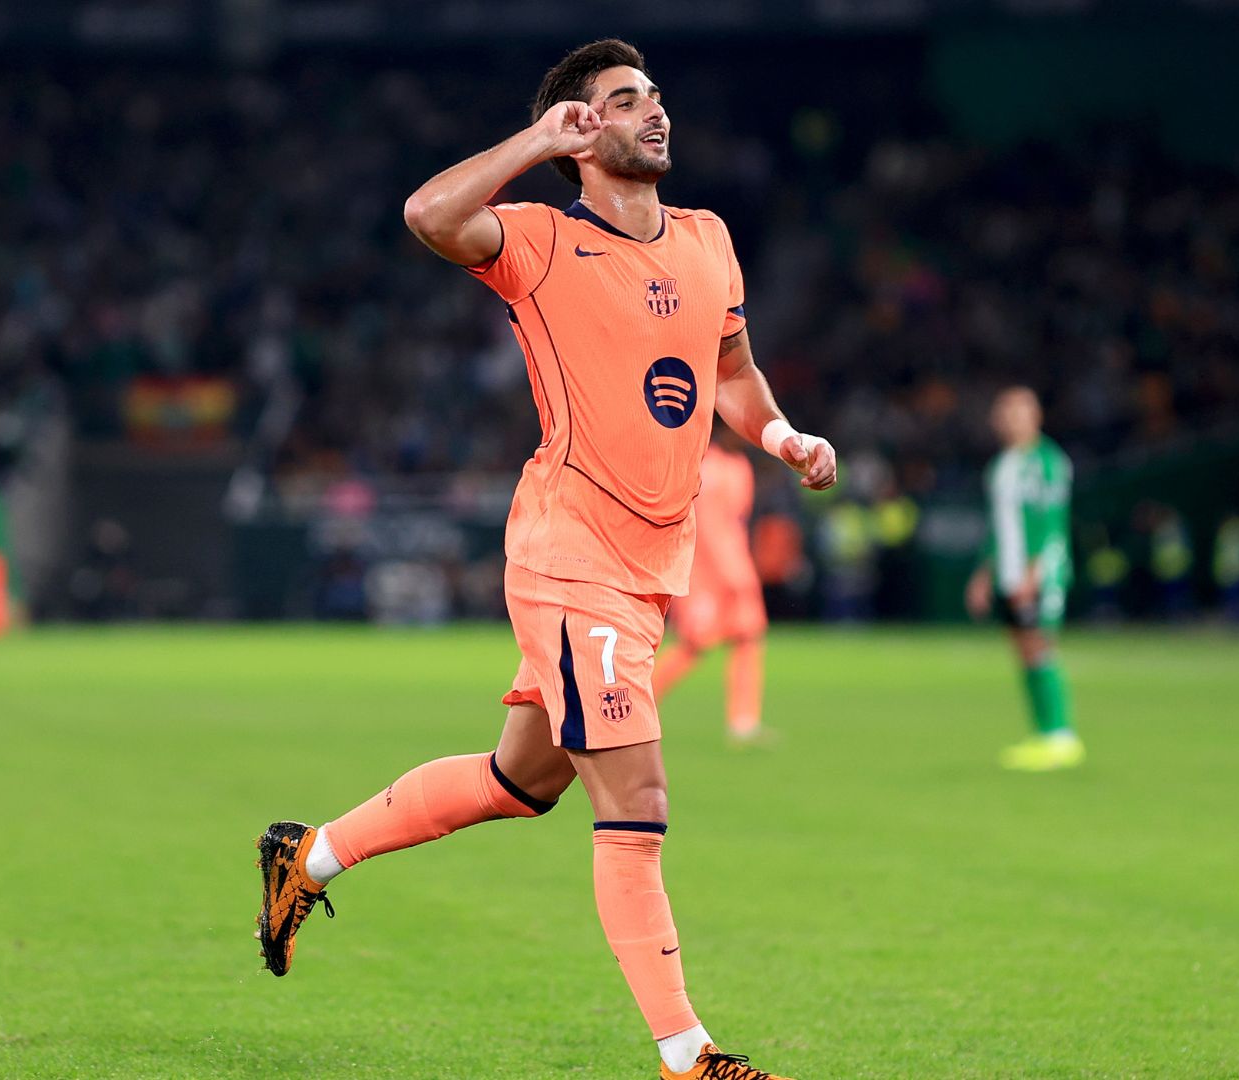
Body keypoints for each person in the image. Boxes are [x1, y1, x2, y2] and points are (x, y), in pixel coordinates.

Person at [253, 40, 835, 1080]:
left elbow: (732, 372)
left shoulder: (709, 239)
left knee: (520, 781)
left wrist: (784, 437)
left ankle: (313, 853)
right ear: (583, 135)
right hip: (572, 556)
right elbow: (428, 216)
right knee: (638, 803)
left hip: (651, 567)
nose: (652, 111)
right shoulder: (541, 242)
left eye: (653, 95)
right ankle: (688, 1055)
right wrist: (533, 141)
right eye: (621, 101)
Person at [967, 387, 1081, 771]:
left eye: (1018, 410)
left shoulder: (1047, 462)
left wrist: (1034, 573)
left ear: (1036, 416)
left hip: (1039, 574)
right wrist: (984, 574)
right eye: (1004, 411)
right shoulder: (1002, 466)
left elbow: (1049, 520)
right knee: (1023, 649)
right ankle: (1043, 732)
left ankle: (1060, 736)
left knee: (1039, 646)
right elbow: (998, 530)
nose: (1009, 418)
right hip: (1009, 574)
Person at [654, 426, 770, 745]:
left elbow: (735, 524)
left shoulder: (740, 465)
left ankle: (744, 722)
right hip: (705, 572)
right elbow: (707, 527)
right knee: (694, 644)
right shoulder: (709, 467)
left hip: (736, 566)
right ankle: (639, 705)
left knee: (749, 637)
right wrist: (728, 573)